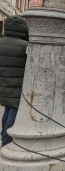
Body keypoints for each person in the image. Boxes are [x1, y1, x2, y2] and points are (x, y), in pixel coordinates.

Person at [0, 16, 29, 147]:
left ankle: (3, 136)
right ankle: (7, 141)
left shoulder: (1, 42)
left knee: (7, 109)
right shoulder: (25, 46)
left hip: (3, 83)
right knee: (13, 111)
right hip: (18, 85)